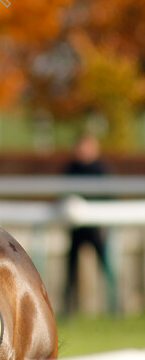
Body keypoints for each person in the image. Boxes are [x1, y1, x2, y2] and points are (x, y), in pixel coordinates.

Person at [63, 133, 115, 315]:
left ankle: (116, 304)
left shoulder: (100, 169)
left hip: (95, 227)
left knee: (107, 266)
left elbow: (108, 197)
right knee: (70, 271)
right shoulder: (71, 168)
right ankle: (68, 308)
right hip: (77, 228)